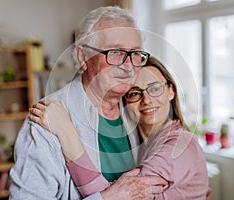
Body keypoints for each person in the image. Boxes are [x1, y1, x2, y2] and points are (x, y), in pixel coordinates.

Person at [9, 6, 167, 200]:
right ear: (83, 57)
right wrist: (109, 198)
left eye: (135, 53)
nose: (128, 66)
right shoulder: (46, 119)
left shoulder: (136, 108)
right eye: (115, 52)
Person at [29, 56, 209, 199]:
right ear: (125, 103)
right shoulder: (141, 145)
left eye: (155, 89)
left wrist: (66, 133)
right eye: (135, 93)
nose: (146, 100)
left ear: (171, 91)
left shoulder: (180, 144)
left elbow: (122, 197)